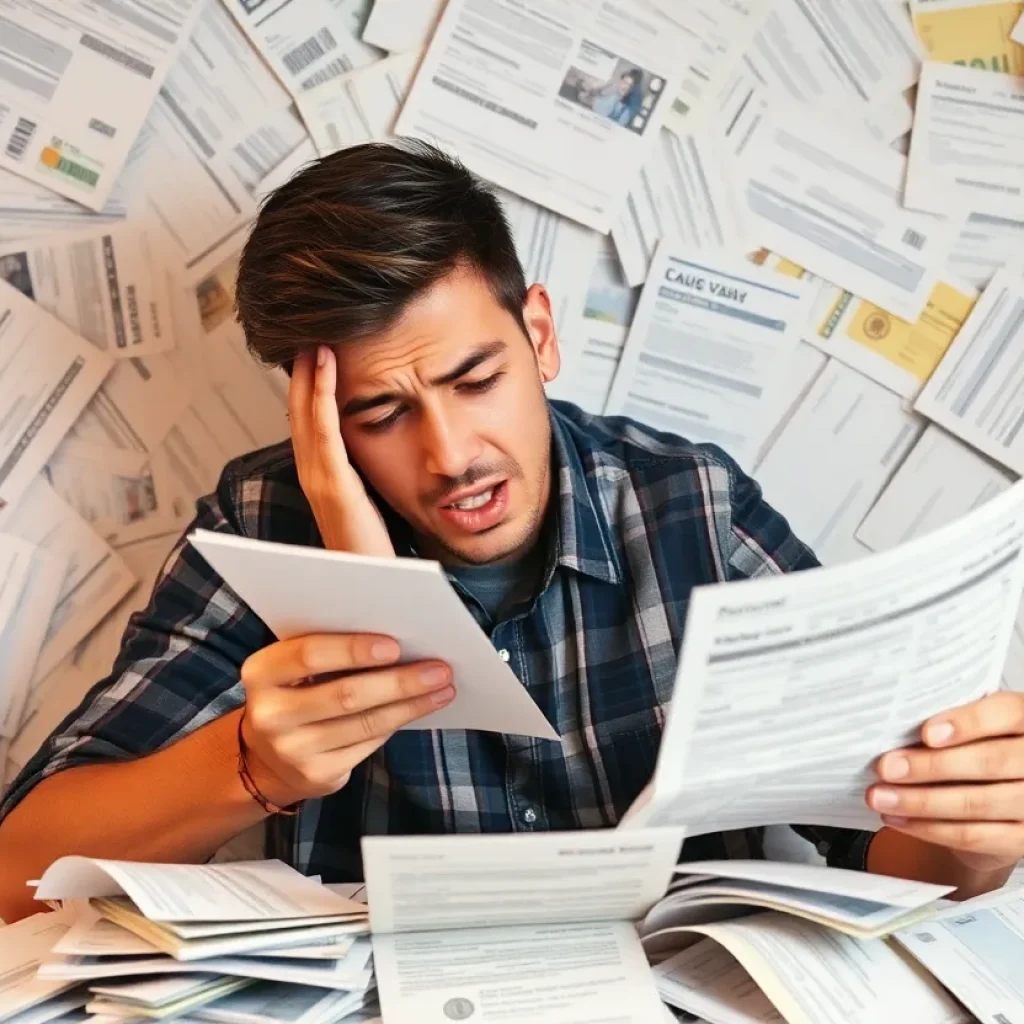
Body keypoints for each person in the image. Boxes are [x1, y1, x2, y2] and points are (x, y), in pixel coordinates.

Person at [2, 142, 1023, 922]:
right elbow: (17, 873)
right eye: (382, 413)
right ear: (316, 419)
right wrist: (252, 765)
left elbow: (883, 863)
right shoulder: (264, 521)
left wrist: (974, 839)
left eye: (473, 379)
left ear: (538, 333)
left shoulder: (692, 509)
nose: (449, 455)